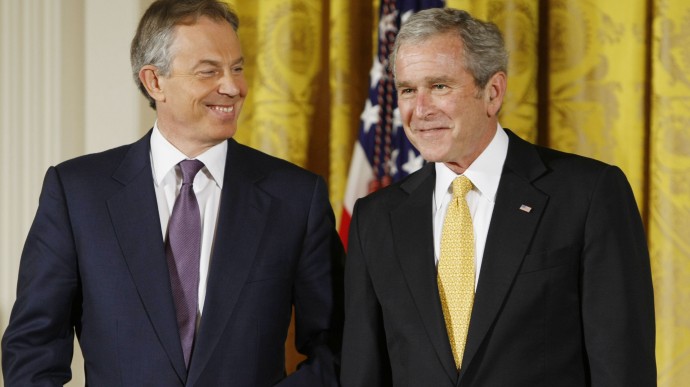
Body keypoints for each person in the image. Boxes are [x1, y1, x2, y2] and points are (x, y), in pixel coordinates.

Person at [2, 0, 343, 385]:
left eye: (237, 68)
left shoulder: (296, 197)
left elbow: (339, 347)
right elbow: (32, 351)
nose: (233, 87)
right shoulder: (77, 193)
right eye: (209, 71)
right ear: (154, 82)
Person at [340, 7, 656, 387]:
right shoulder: (376, 217)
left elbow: (623, 369)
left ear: (492, 92)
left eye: (439, 86)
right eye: (408, 90)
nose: (419, 110)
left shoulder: (588, 194)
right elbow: (362, 372)